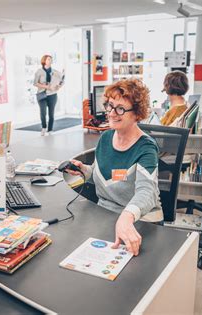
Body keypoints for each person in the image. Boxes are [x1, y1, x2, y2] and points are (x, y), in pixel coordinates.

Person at [67, 79, 163, 256]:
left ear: (137, 114)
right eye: (110, 106)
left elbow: (147, 192)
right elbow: (103, 176)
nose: (111, 113)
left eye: (120, 109)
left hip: (138, 220)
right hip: (104, 215)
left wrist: (126, 217)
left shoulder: (146, 148)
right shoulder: (106, 138)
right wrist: (84, 170)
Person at [34, 55, 64, 136]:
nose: (50, 61)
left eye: (51, 59)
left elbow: (61, 81)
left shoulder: (55, 72)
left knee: (51, 114)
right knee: (43, 112)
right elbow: (35, 83)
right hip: (42, 94)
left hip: (52, 95)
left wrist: (59, 86)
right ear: (44, 61)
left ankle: (50, 129)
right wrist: (47, 87)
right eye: (48, 59)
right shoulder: (39, 71)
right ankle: (44, 127)